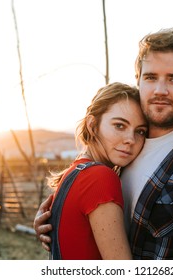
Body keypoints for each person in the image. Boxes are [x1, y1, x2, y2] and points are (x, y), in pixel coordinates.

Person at [34, 27, 173, 260]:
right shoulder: (126, 150)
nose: (160, 90)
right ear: (139, 81)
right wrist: (56, 219)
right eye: (151, 77)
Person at [42, 82, 148, 260]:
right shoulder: (100, 177)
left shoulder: (75, 172)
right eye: (119, 126)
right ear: (92, 125)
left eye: (140, 131)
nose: (131, 139)